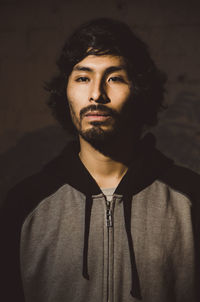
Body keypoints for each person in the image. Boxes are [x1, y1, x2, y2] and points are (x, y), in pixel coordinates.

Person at [1, 18, 200, 302]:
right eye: (83, 78)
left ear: (139, 91)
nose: (96, 94)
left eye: (114, 78)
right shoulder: (25, 203)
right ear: (66, 91)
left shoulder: (191, 199)